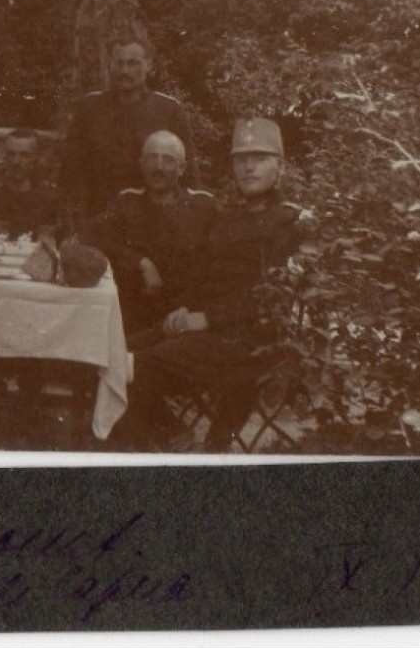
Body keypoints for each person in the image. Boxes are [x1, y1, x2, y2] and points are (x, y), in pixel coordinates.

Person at [119, 118, 306, 451]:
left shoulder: (290, 222)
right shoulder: (225, 216)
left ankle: (191, 445)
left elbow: (276, 298)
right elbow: (203, 274)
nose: (248, 167)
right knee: (109, 354)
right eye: (240, 159)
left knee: (133, 366)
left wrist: (206, 319)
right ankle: (173, 432)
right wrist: (184, 308)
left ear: (280, 168)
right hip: (204, 331)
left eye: (259, 159)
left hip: (248, 340)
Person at [86, 130, 219, 333]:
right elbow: (96, 237)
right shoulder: (127, 201)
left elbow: (217, 263)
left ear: (182, 168)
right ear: (141, 163)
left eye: (168, 160)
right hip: (132, 312)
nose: (158, 167)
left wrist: (191, 307)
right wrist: (141, 262)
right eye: (151, 158)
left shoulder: (203, 206)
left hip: (184, 314)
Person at [60, 27, 196, 221]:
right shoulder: (89, 108)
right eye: (119, 63)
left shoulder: (169, 111)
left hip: (151, 221)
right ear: (110, 65)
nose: (125, 71)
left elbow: (188, 177)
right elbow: (71, 173)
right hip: (98, 218)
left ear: (148, 65)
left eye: (133, 63)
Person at [0, 128, 68, 241]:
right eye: (11, 154)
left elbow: (63, 243)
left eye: (24, 155)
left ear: (36, 158)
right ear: (5, 157)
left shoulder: (52, 199)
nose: (16, 161)